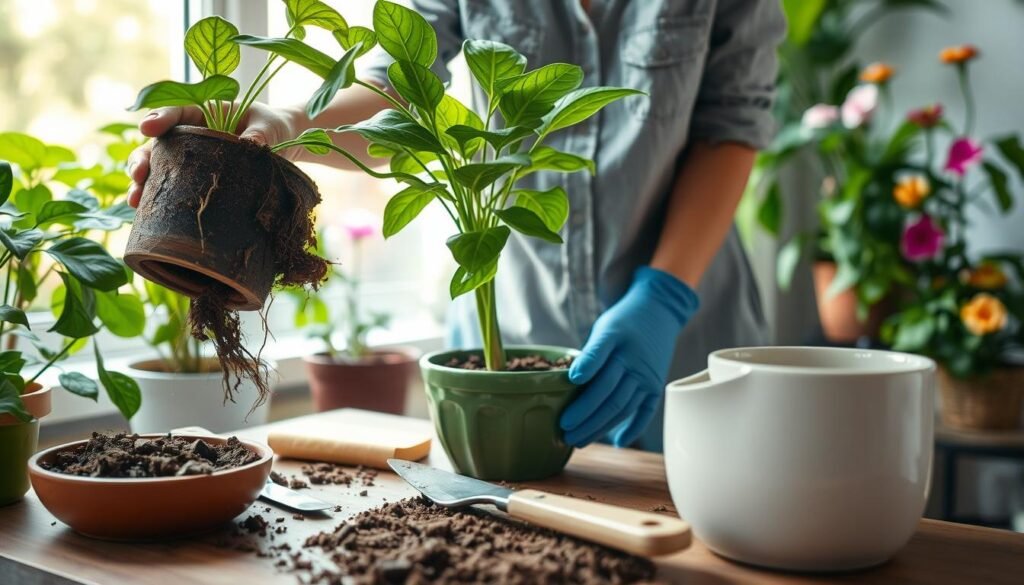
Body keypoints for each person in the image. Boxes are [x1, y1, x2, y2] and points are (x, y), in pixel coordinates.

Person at [127, 0, 786, 452]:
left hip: (688, 336)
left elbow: (733, 122)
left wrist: (663, 295)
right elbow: (399, 89)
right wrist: (286, 126)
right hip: (505, 358)